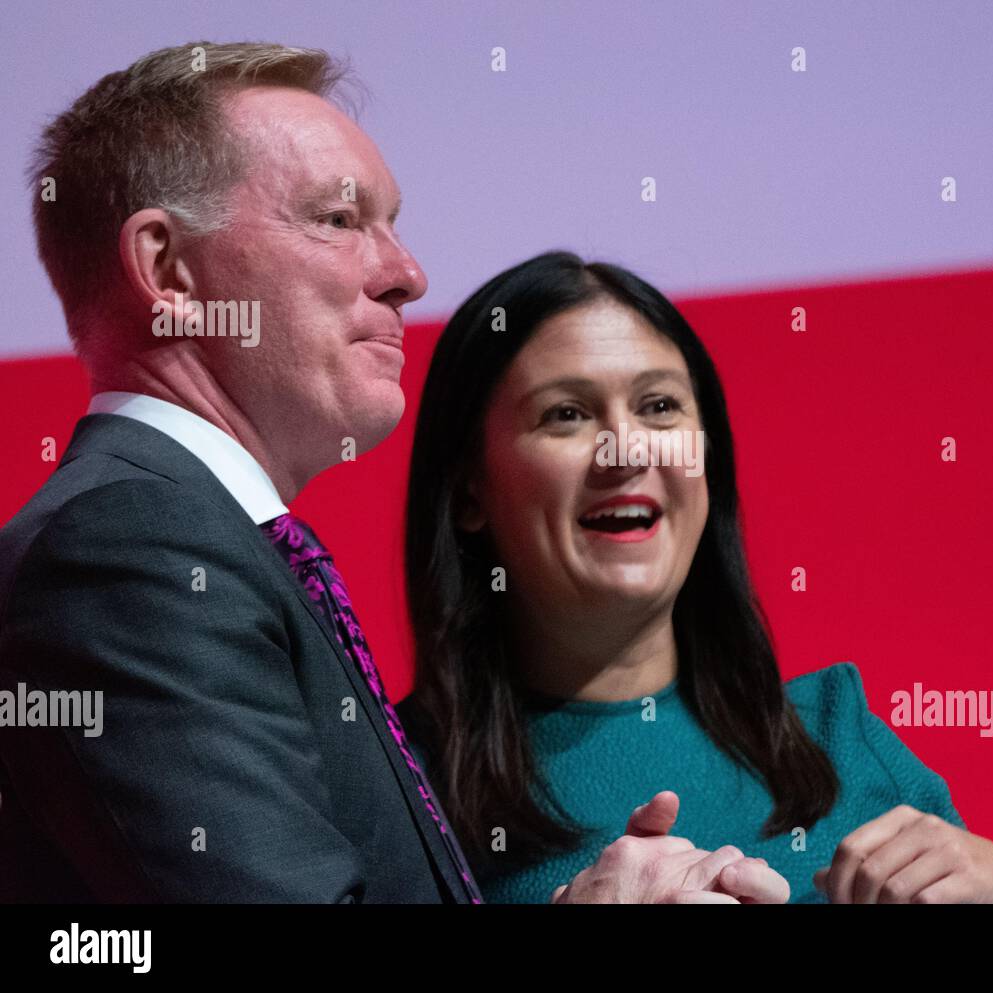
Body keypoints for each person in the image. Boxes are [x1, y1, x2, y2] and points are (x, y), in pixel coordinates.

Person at [0, 42, 787, 905]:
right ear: (167, 270)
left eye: (393, 225)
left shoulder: (201, 541)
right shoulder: (126, 551)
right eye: (340, 221)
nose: (407, 275)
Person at [398, 251, 993, 904]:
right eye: (566, 413)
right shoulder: (389, 780)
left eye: (659, 406)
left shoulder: (840, 741)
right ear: (468, 491)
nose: (628, 447)